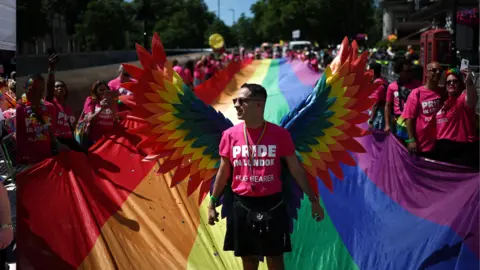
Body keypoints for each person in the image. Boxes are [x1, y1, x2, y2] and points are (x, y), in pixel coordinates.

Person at [208, 83, 324, 270]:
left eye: (242, 101)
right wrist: (212, 202)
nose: (236, 105)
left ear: (258, 105)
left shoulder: (280, 135)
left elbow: (296, 169)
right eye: (235, 100)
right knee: (249, 261)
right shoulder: (229, 136)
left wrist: (314, 199)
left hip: (273, 205)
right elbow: (223, 172)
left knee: (276, 260)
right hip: (241, 205)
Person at [435, 68, 478, 167]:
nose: (451, 84)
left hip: (461, 150)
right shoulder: (444, 103)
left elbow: (472, 100)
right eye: (448, 82)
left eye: (455, 81)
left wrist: (469, 84)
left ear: (460, 83)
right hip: (442, 151)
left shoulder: (462, 98)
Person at [402, 62, 444, 158]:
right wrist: (411, 140)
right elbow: (409, 118)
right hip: (421, 145)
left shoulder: (442, 93)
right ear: (426, 73)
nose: (437, 73)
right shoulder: (416, 93)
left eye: (440, 71)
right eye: (433, 70)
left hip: (438, 144)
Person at [15, 75, 60, 165]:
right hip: (26, 163)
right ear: (25, 88)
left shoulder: (50, 108)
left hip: (46, 160)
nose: (37, 94)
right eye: (34, 90)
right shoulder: (19, 108)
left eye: (40, 90)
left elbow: (51, 133)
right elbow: (14, 137)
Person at [44, 53, 82, 152]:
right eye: (57, 86)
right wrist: (51, 70)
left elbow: (71, 128)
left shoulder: (68, 108)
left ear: (66, 90)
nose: (59, 88)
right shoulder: (51, 102)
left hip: (70, 140)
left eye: (62, 86)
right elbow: (49, 87)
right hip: (57, 140)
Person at [384, 58, 422, 137]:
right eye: (407, 71)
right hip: (398, 122)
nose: (410, 74)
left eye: (410, 71)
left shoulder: (418, 85)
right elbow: (388, 105)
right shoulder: (392, 86)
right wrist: (387, 125)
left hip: (414, 121)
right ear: (400, 72)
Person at [81, 81, 119, 147]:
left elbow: (117, 120)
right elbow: (90, 120)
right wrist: (101, 108)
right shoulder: (91, 100)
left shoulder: (112, 102)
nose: (103, 92)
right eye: (101, 90)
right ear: (96, 92)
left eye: (105, 90)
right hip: (95, 139)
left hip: (110, 140)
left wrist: (112, 107)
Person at [368, 63, 389, 130]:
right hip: (380, 114)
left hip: (378, 116)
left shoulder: (378, 84)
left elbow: (375, 104)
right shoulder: (384, 81)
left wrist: (371, 121)